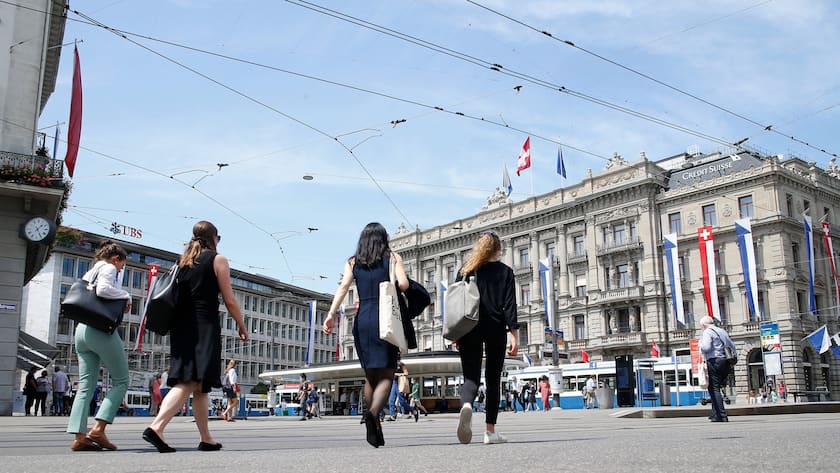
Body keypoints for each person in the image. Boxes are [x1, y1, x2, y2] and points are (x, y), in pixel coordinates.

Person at [143, 221, 248, 453]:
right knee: (188, 381)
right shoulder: (217, 260)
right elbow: (229, 299)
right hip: (203, 326)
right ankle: (156, 427)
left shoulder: (183, 261)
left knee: (201, 386)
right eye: (218, 238)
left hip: (181, 327)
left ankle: (206, 438)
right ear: (213, 238)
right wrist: (241, 325)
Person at [323, 222, 409, 448]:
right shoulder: (392, 257)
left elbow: (343, 288)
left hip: (362, 320)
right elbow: (403, 283)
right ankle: (373, 414)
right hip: (385, 319)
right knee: (388, 374)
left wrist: (331, 314)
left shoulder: (353, 262)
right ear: (384, 238)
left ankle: (375, 427)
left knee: (370, 375)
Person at [452, 231, 519, 445]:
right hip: (495, 328)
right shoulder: (505, 272)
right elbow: (510, 306)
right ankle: (490, 432)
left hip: (468, 327)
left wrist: (456, 332)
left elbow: (455, 301)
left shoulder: (466, 270)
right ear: (499, 249)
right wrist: (514, 335)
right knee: (493, 380)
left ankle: (467, 406)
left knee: (470, 377)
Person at [66, 240, 133, 451]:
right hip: (99, 330)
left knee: (85, 385)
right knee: (122, 380)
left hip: (81, 331)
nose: (121, 269)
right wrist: (126, 295)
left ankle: (79, 436)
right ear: (116, 259)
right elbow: (104, 291)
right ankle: (99, 428)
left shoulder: (91, 271)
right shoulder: (108, 268)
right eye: (122, 265)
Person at [699, 315, 736, 422]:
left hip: (715, 361)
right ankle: (715, 414)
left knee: (714, 388)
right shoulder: (722, 331)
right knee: (717, 388)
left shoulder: (707, 332)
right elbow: (732, 346)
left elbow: (706, 347)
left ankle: (721, 415)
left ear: (703, 325)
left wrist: (700, 344)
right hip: (725, 362)